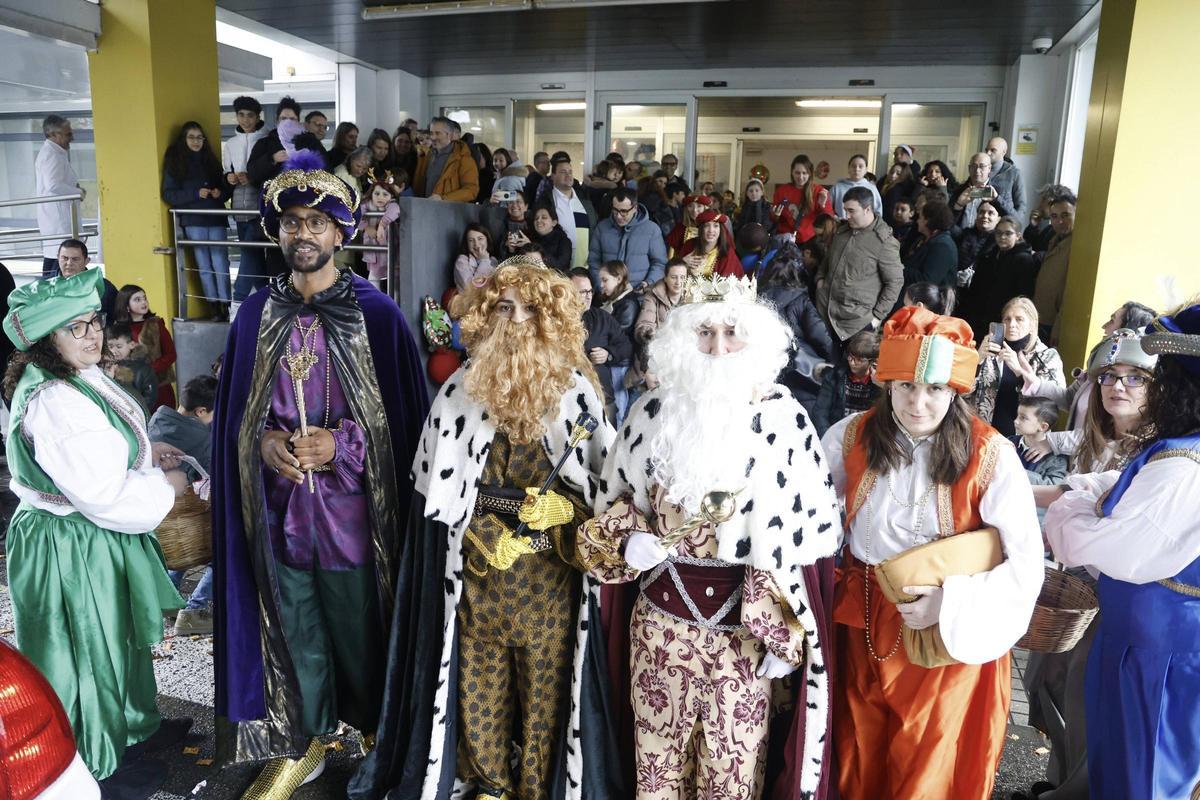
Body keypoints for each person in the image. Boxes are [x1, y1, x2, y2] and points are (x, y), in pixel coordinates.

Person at [351, 256, 617, 800]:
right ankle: (490, 784)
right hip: (478, 579)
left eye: (526, 310)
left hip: (549, 581)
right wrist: (482, 535)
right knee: (477, 685)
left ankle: (537, 788)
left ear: (548, 320)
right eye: (502, 308)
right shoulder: (459, 393)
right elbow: (439, 504)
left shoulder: (576, 394)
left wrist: (566, 512)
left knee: (547, 692)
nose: (513, 320)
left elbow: (604, 493)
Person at [212, 149, 428, 795]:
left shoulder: (378, 317)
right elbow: (234, 419)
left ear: (341, 232)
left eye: (315, 222)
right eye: (291, 223)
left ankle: (372, 735)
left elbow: (408, 425)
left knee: (361, 624)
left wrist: (343, 446)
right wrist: (266, 439)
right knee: (294, 624)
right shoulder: (254, 314)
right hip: (279, 514)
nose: (302, 233)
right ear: (276, 231)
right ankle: (300, 742)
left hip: (354, 518)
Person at [581, 274, 842, 799]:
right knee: (654, 770)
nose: (718, 347)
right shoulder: (651, 413)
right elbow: (612, 506)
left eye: (732, 333)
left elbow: (805, 553)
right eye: (704, 332)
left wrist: (789, 636)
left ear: (757, 342)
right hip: (659, 629)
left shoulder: (786, 422)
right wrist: (629, 539)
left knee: (733, 776)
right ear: (681, 338)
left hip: (744, 639)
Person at [822, 306, 1043, 800]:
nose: (919, 404)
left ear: (955, 390)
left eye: (935, 390)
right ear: (888, 384)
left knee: (928, 762)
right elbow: (808, 516)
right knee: (858, 748)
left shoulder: (992, 454)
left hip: (947, 629)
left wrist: (953, 603)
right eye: (905, 387)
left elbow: (1027, 565)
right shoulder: (850, 436)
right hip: (861, 615)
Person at [2, 268, 192, 795]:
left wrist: (144, 453)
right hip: (67, 542)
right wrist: (168, 485)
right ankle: (94, 758)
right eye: (75, 328)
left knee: (116, 639)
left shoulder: (74, 376)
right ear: (47, 340)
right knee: (83, 647)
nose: (90, 336)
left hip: (88, 535)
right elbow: (102, 494)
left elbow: (103, 447)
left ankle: (129, 727)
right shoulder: (55, 400)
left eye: (91, 323)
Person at [1041, 303, 1200, 800]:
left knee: (1142, 778)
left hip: (1160, 650)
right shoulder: (1179, 448)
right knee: (1115, 765)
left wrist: (1073, 510)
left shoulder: (1184, 464)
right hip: (1138, 635)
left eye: (1160, 376)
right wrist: (1089, 498)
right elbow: (1110, 485)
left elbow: (1106, 545)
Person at [1019, 329, 1158, 800]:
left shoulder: (1160, 449)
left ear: (1159, 389)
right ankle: (1057, 782)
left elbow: (1083, 494)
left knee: (1083, 693)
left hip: (1119, 596)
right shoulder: (1098, 435)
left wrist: (1006, 492)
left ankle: (1073, 790)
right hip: (1078, 580)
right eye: (1110, 377)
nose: (1118, 386)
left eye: (1134, 378)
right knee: (1046, 680)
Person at [149, 374, 219, 636]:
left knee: (180, 553)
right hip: (187, 510)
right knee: (218, 553)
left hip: (163, 515)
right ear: (201, 411)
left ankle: (164, 602)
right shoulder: (200, 435)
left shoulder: (158, 418)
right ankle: (194, 612)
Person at [814, 186, 903, 348]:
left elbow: (895, 282)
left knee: (852, 369)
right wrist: (820, 280)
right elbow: (827, 258)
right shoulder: (841, 231)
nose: (846, 216)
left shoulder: (884, 242)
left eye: (851, 211)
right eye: (845, 210)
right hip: (826, 312)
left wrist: (876, 318)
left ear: (867, 209)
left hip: (856, 323)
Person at [969, 296, 1065, 436]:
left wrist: (1020, 374)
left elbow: (1052, 406)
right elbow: (963, 394)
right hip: (984, 436)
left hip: (1025, 441)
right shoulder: (990, 353)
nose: (1012, 324)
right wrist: (976, 361)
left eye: (1019, 319)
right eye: (1007, 319)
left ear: (1032, 324)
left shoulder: (1047, 357)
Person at [161, 121, 230, 318]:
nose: (196, 141)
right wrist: (195, 193)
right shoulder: (175, 161)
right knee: (204, 265)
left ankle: (226, 304)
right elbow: (169, 194)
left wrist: (220, 193)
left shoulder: (210, 159)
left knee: (220, 263)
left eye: (200, 137)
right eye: (191, 137)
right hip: (193, 218)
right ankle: (214, 306)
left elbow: (224, 189)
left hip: (215, 216)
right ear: (184, 139)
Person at [245, 97, 304, 291]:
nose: (287, 123)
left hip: (301, 211)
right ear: (277, 120)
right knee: (276, 262)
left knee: (301, 258)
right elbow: (252, 174)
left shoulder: (305, 144)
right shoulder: (265, 143)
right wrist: (272, 159)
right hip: (274, 211)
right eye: (284, 118)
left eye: (292, 119)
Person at [957, 216, 1038, 338]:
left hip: (1004, 318)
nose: (1002, 237)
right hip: (981, 315)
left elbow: (1023, 296)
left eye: (1008, 233)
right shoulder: (990, 255)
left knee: (995, 350)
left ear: (1018, 236)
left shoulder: (1024, 260)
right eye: (999, 233)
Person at [570, 269, 633, 418]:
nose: (588, 297)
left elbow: (625, 346)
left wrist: (608, 354)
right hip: (569, 403)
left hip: (603, 400)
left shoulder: (601, 317)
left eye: (590, 291)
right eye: (582, 292)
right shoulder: (554, 322)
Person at [223, 96, 268, 305]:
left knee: (250, 251)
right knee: (254, 256)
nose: (245, 119)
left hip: (259, 204)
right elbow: (226, 171)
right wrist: (228, 178)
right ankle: (267, 297)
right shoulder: (230, 143)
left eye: (250, 115)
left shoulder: (265, 139)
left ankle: (239, 298)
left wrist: (253, 176)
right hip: (238, 204)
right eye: (241, 115)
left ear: (257, 117)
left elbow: (268, 170)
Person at [586, 186, 668, 292]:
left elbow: (660, 263)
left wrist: (648, 282)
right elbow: (593, 261)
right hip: (607, 294)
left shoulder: (652, 230)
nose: (619, 216)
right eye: (615, 210)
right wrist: (601, 285)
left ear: (635, 208)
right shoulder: (602, 228)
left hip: (639, 293)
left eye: (624, 211)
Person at [113, 285, 176, 412]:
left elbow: (171, 355)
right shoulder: (117, 328)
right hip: (130, 386)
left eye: (144, 298)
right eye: (137, 299)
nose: (144, 302)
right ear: (126, 305)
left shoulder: (155, 324)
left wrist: (148, 371)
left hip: (159, 386)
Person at [35, 115, 84, 278]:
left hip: (58, 226)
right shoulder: (52, 155)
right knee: (58, 272)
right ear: (54, 135)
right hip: (60, 226)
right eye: (68, 134)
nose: (72, 138)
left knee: (55, 267)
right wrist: (78, 192)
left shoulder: (54, 153)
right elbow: (53, 186)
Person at [812, 329, 881, 434]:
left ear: (873, 362)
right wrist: (827, 437)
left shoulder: (879, 385)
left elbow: (880, 421)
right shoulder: (834, 376)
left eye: (858, 360)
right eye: (850, 356)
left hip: (863, 437)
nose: (852, 362)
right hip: (834, 432)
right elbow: (820, 412)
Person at [1033, 189, 1076, 344]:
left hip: (1054, 324)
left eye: (1065, 215)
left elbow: (1070, 292)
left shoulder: (1076, 245)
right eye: (1054, 216)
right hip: (1041, 317)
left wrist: (1058, 328)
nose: (1059, 222)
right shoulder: (1054, 239)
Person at [542, 153, 596, 267]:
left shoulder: (584, 201)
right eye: (563, 172)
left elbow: (593, 232)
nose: (568, 175)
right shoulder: (546, 201)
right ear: (553, 176)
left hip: (584, 270)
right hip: (556, 268)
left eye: (570, 172)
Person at [413, 116, 480, 203]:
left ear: (450, 135)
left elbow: (472, 190)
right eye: (431, 133)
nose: (433, 137)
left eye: (437, 133)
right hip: (426, 210)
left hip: (450, 213)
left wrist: (443, 198)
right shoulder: (426, 156)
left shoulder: (464, 159)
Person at [771, 154, 834, 241]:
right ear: (792, 172)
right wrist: (775, 215)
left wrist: (822, 205)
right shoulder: (781, 191)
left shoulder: (819, 191)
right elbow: (773, 220)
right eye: (797, 173)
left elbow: (829, 220)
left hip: (811, 241)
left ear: (810, 174)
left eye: (804, 173)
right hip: (787, 240)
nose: (800, 177)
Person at [358, 170, 403, 290]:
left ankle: (394, 303)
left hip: (391, 250)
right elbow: (356, 216)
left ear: (391, 196)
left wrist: (382, 224)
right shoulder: (366, 204)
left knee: (395, 281)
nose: (380, 197)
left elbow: (395, 210)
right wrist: (367, 228)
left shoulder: (392, 204)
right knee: (373, 278)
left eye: (385, 194)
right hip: (373, 251)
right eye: (377, 193)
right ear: (371, 194)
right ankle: (375, 304)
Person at [1011, 395, 1070, 487]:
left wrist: (1016, 472)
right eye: (1017, 416)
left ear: (1043, 427)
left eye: (1023, 418)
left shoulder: (1057, 458)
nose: (1016, 421)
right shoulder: (1008, 442)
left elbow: (1053, 484)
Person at [900, 199, 957, 292]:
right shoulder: (925, 238)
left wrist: (899, 268)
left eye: (920, 217)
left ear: (928, 220)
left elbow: (927, 281)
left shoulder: (943, 246)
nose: (917, 221)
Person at [950, 152, 1016, 232]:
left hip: (988, 240)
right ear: (969, 168)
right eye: (974, 166)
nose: (977, 170)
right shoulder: (959, 190)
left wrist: (996, 199)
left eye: (982, 166)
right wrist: (958, 205)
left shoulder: (1000, 191)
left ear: (989, 168)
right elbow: (947, 221)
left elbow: (1013, 219)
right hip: (960, 238)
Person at [53, 237, 116, 318]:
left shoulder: (104, 287)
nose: (69, 263)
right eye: (65, 258)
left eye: (75, 259)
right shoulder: (43, 288)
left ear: (86, 261)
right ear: (58, 258)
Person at [102, 322, 157, 412]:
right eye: (110, 346)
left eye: (119, 346)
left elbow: (150, 397)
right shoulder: (106, 366)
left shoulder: (143, 369)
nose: (113, 351)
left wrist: (138, 412)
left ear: (131, 345)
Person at [677, 209, 744, 277]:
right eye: (706, 226)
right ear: (701, 229)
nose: (711, 230)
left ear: (720, 229)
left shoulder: (727, 253)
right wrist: (682, 262)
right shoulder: (689, 245)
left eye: (715, 226)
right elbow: (674, 274)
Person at [984, 136, 1027, 222]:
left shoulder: (1014, 173)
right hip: (981, 223)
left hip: (1004, 224)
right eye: (986, 150)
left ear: (1004, 152)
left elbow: (1021, 207)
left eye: (993, 150)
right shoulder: (980, 170)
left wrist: (1014, 225)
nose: (988, 153)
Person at [830, 154, 883, 218]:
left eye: (860, 166)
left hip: (865, 227)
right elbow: (828, 207)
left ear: (866, 170)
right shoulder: (837, 187)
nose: (857, 169)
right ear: (848, 169)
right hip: (841, 225)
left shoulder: (872, 188)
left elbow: (878, 212)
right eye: (853, 166)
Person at [1024, 183, 1070, 254]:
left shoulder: (1061, 232)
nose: (1040, 204)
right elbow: (1030, 246)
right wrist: (1033, 226)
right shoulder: (1049, 229)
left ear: (1051, 202)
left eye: (1043, 200)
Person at [956, 199, 1000, 271]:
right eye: (981, 212)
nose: (985, 216)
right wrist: (958, 205)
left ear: (998, 219)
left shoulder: (999, 242)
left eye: (991, 213)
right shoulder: (963, 234)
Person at [454, 223, 498, 291]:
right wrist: (484, 261)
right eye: (471, 240)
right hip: (470, 300)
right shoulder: (461, 261)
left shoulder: (493, 260)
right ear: (467, 243)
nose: (476, 244)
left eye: (480, 239)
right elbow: (472, 289)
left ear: (487, 240)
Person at [878, 162, 916, 227]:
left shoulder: (895, 189)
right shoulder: (886, 186)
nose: (893, 176)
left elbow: (890, 211)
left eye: (898, 174)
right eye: (892, 172)